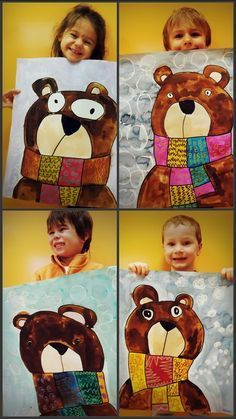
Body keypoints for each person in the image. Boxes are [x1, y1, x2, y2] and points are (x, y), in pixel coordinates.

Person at [2, 4, 106, 108]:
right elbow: (42, 110)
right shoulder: (42, 73)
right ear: (60, 35)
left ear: (94, 49)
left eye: (87, 42)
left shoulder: (99, 81)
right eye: (73, 35)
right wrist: (18, 106)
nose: (78, 43)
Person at [129, 214, 233, 281]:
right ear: (164, 248)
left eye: (186, 243)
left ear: (199, 248)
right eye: (171, 244)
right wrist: (136, 271)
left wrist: (230, 279)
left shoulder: (212, 284)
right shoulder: (155, 282)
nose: (178, 250)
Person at [35, 209, 103, 281]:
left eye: (62, 229)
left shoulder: (98, 271)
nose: (55, 236)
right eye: (51, 232)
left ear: (84, 235)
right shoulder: (42, 275)